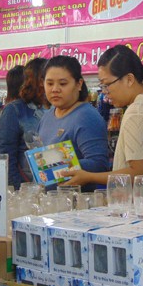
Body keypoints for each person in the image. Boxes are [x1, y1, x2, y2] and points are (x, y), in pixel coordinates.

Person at [64, 45, 143, 194]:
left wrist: (89, 177)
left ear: (129, 79)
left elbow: (140, 173)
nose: (105, 92)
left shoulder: (138, 112)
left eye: (107, 85)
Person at [37, 55, 109, 189]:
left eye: (63, 84)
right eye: (50, 83)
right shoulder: (47, 117)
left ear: (79, 84)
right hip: (52, 201)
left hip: (79, 202)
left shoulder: (86, 116)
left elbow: (99, 164)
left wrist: (55, 164)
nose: (55, 89)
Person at [0, 59, 49, 190]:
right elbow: (5, 157)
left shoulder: (57, 109)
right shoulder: (15, 110)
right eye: (49, 80)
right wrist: (18, 190)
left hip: (55, 187)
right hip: (27, 188)